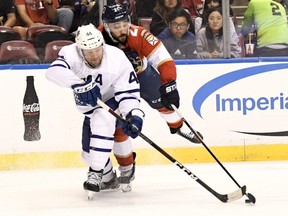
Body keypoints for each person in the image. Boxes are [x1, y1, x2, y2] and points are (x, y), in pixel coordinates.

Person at [45, 24, 145, 197]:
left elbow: (128, 92)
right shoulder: (70, 54)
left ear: (103, 46)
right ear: (80, 49)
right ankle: (108, 178)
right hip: (91, 108)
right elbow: (53, 72)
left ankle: (105, 170)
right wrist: (79, 84)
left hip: (114, 99)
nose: (94, 55)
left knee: (106, 122)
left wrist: (132, 114)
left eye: (97, 50)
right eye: (88, 51)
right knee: (87, 152)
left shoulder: (116, 58)